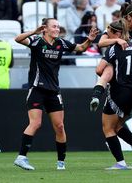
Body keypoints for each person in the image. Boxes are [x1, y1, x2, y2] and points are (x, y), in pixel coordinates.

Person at [13, 18, 98, 171]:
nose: (57, 29)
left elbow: (80, 48)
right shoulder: (36, 41)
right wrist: (34, 31)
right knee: (36, 123)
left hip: (53, 91)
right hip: (37, 89)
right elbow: (18, 39)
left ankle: (61, 162)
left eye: (58, 26)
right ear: (45, 28)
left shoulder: (61, 43)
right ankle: (21, 157)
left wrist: (89, 40)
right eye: (54, 26)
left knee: (59, 126)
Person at [94, 20, 132, 170]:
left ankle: (120, 162)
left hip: (118, 91)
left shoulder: (113, 49)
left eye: (109, 30)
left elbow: (99, 70)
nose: (107, 33)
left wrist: (109, 70)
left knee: (108, 128)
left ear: (117, 33)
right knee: (118, 126)